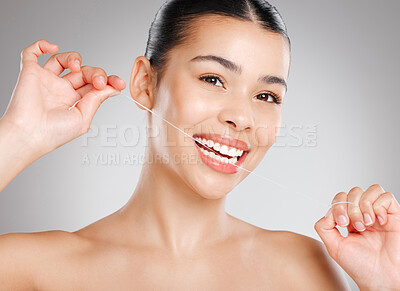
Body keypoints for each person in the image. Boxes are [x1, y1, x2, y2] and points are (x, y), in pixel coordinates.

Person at [0, 0, 399, 290]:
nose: (242, 117)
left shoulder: (304, 268)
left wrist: (385, 285)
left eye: (267, 96)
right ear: (143, 82)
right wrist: (18, 136)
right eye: (212, 79)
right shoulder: (33, 270)